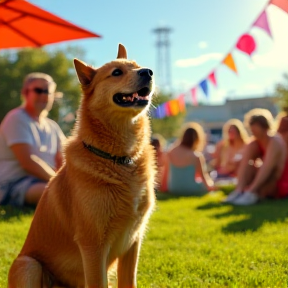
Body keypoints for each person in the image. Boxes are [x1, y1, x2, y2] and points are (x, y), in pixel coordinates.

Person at [0, 72, 66, 207]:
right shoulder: (16, 118)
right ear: (25, 92)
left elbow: (64, 160)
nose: (44, 95)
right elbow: (28, 162)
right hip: (13, 185)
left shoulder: (53, 126)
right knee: (61, 193)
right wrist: (59, 183)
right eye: (38, 90)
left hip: (43, 182)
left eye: (48, 92)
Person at [223, 108, 287, 205]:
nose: (253, 131)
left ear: (264, 126)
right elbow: (245, 162)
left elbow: (268, 167)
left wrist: (252, 188)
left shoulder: (275, 141)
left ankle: (251, 192)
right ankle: (239, 191)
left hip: (278, 181)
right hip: (265, 178)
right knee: (248, 164)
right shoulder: (254, 143)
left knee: (262, 171)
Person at [166, 122, 215, 196]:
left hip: (173, 188)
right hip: (191, 189)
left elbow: (165, 174)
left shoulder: (171, 151)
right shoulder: (196, 156)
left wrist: (164, 188)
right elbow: (204, 178)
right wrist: (212, 185)